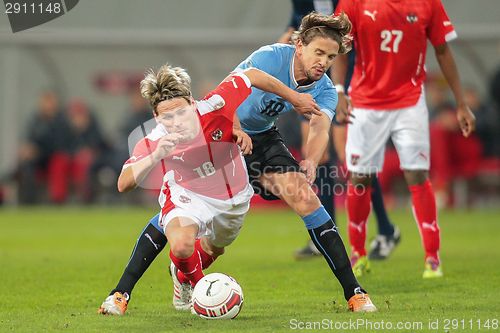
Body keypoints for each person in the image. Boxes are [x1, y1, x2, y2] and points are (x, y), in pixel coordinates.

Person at [99, 12, 377, 315]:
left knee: (303, 198)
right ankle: (134, 288)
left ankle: (355, 293)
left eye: (331, 56)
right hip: (221, 132)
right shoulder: (271, 57)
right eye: (319, 52)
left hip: (262, 139)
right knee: (181, 213)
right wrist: (248, 121)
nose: (323, 61)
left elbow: (320, 126)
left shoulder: (323, 88)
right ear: (299, 46)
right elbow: (233, 88)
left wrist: (310, 159)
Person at [333, 0, 476, 278]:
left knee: (417, 174)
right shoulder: (354, 3)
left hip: (409, 103)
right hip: (365, 103)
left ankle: (432, 258)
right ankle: (358, 254)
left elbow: (443, 50)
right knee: (360, 177)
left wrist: (460, 103)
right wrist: (339, 89)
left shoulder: (427, 3)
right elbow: (340, 45)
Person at [278, 0, 400, 261]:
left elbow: (356, 40)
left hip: (348, 78)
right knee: (318, 157)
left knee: (350, 158)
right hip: (313, 78)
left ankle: (387, 230)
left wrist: (343, 87)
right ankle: (327, 232)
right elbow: (294, 24)